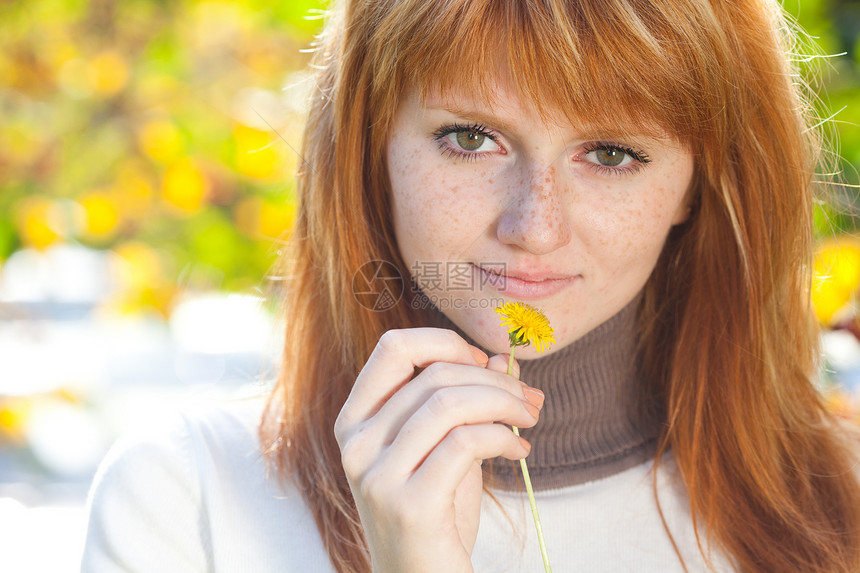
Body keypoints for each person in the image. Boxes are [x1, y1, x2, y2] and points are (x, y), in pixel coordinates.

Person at [81, 0, 860, 571]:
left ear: (698, 183)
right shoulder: (185, 498)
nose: (535, 226)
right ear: (369, 148)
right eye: (471, 137)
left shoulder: (843, 496)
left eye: (613, 153)